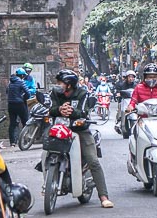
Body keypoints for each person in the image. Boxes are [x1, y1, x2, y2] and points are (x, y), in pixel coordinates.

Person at [49, 69, 114, 208]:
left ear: (69, 85)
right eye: (58, 82)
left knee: (93, 160)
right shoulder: (55, 93)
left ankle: (104, 196)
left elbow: (84, 112)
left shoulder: (83, 93)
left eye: (61, 83)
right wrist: (59, 109)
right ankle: (47, 184)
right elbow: (50, 108)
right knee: (46, 150)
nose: (58, 85)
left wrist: (71, 112)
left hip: (80, 130)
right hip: (60, 129)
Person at [6, 69, 30, 147]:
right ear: (22, 75)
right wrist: (24, 98)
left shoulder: (10, 82)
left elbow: (7, 91)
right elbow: (28, 93)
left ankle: (12, 142)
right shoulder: (21, 82)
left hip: (11, 104)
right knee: (25, 122)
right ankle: (25, 140)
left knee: (12, 123)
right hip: (20, 104)